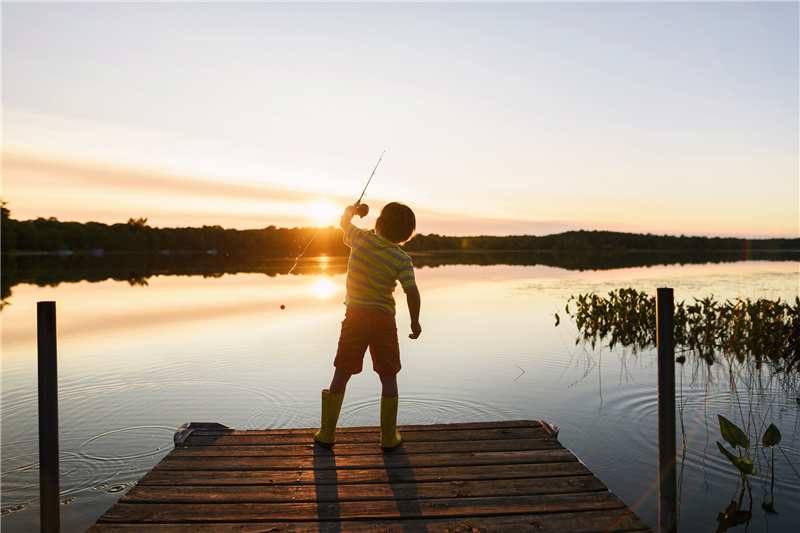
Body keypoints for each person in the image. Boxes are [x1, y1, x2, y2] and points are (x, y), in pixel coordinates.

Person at [313, 201, 421, 451]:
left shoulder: (360, 238)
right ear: (406, 235)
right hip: (384, 320)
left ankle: (327, 432)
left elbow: (344, 222)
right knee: (388, 375)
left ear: (378, 223)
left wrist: (352, 209)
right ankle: (388, 437)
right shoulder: (402, 259)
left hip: (356, 318)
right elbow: (412, 292)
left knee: (342, 371)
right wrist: (415, 321)